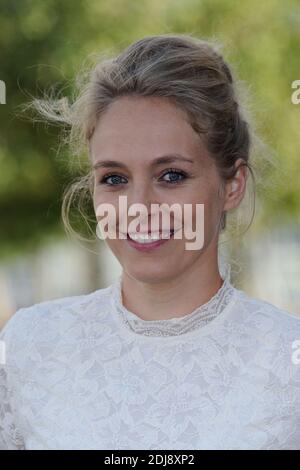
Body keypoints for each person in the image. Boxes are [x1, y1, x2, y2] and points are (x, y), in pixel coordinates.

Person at [0, 33, 299, 450]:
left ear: (232, 185)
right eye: (115, 179)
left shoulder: (289, 359)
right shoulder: (29, 347)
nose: (138, 206)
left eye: (171, 175)